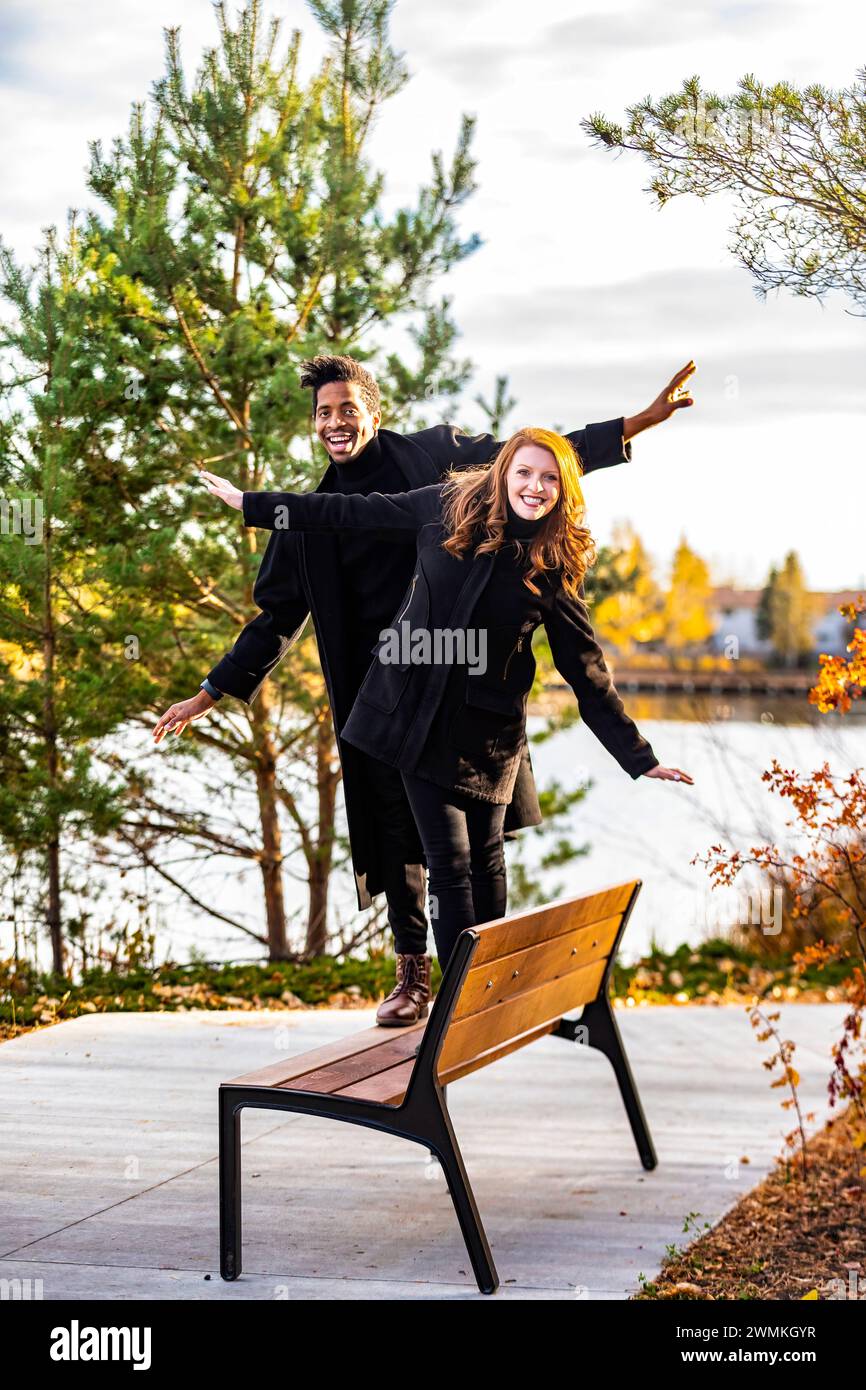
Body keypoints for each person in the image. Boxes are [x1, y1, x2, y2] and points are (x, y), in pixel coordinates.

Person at [155, 353, 695, 1023]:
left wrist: (638, 422)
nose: (335, 423)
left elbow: (537, 458)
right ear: (313, 426)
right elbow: (274, 620)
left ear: (373, 413)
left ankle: (479, 991)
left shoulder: (439, 462)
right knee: (399, 840)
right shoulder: (314, 515)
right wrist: (210, 691)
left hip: (474, 688)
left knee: (477, 856)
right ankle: (419, 978)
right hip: (380, 690)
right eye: (323, 413)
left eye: (347, 409)